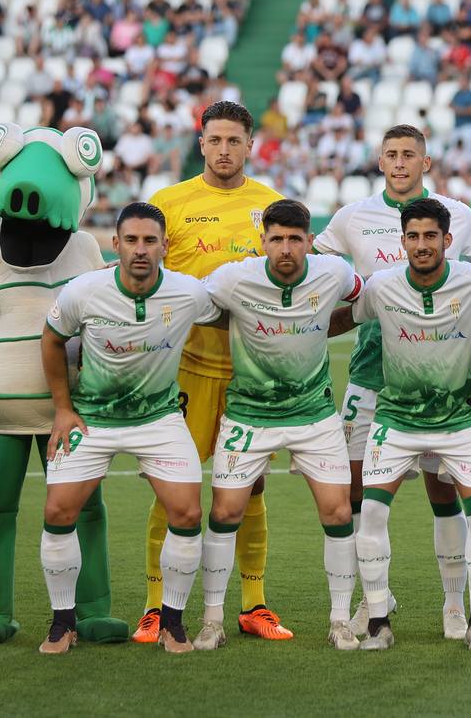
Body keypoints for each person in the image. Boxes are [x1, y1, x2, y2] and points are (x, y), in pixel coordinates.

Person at [311, 125, 471, 640]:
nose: (399, 163)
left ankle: (455, 606)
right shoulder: (352, 217)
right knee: (355, 493)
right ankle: (373, 598)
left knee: (444, 492)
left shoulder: (457, 214)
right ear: (379, 161)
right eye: (391, 155)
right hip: (372, 375)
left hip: (439, 382)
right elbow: (318, 271)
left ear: (426, 161)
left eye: (409, 155)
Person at [135, 101, 288, 644]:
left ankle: (254, 603)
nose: (224, 150)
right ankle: (155, 606)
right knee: (171, 486)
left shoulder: (271, 206)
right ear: (201, 143)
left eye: (234, 141)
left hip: (252, 371)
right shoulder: (168, 204)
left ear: (250, 146)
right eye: (215, 140)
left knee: (252, 485)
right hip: (184, 368)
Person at [38, 202, 222, 654]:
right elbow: (52, 338)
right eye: (132, 240)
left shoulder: (189, 293)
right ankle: (63, 623)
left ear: (164, 246)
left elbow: (228, 317)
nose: (141, 250)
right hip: (92, 418)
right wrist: (63, 409)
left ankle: (172, 623)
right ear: (115, 244)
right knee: (58, 511)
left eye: (150, 241)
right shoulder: (83, 291)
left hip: (158, 419)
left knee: (188, 513)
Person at [191, 200, 365, 651]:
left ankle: (340, 620)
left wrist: (325, 325)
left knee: (339, 513)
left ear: (309, 241)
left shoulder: (334, 273)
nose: (285, 248)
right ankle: (212, 620)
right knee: (225, 513)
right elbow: (192, 303)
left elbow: (366, 297)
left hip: (315, 416)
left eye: (294, 239)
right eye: (276, 239)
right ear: (263, 242)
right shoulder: (233, 278)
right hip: (249, 415)